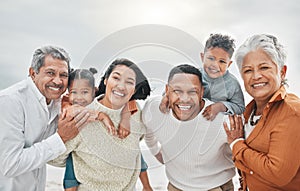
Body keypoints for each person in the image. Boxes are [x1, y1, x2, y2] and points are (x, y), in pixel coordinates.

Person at [50, 58, 151, 191]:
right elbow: (55, 159)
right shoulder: (81, 116)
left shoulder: (135, 111)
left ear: (134, 89)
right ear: (105, 80)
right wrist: (62, 136)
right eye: (116, 78)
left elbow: (138, 143)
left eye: (129, 82)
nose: (121, 86)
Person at [0, 46, 90, 191]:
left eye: (64, 75)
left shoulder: (58, 103)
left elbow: (95, 98)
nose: (58, 81)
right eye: (50, 73)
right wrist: (61, 138)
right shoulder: (10, 101)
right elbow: (10, 165)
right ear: (33, 73)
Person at [224, 34, 300, 190]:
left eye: (264, 67)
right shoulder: (247, 113)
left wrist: (237, 144)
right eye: (248, 71)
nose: (256, 76)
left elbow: (277, 174)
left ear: (282, 72)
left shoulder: (292, 112)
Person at [143, 64, 235, 191]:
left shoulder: (221, 119)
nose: (185, 99)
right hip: (176, 186)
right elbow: (148, 131)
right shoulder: (154, 108)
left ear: (202, 92)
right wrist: (155, 151)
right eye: (177, 91)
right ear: (167, 90)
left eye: (192, 92)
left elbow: (243, 151)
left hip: (216, 187)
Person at [160, 34, 245, 120]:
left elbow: (240, 107)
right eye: (211, 58)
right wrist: (166, 97)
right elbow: (175, 89)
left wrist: (220, 106)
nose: (215, 65)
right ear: (202, 57)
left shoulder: (232, 84)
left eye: (222, 61)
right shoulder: (194, 76)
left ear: (229, 64)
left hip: (213, 124)